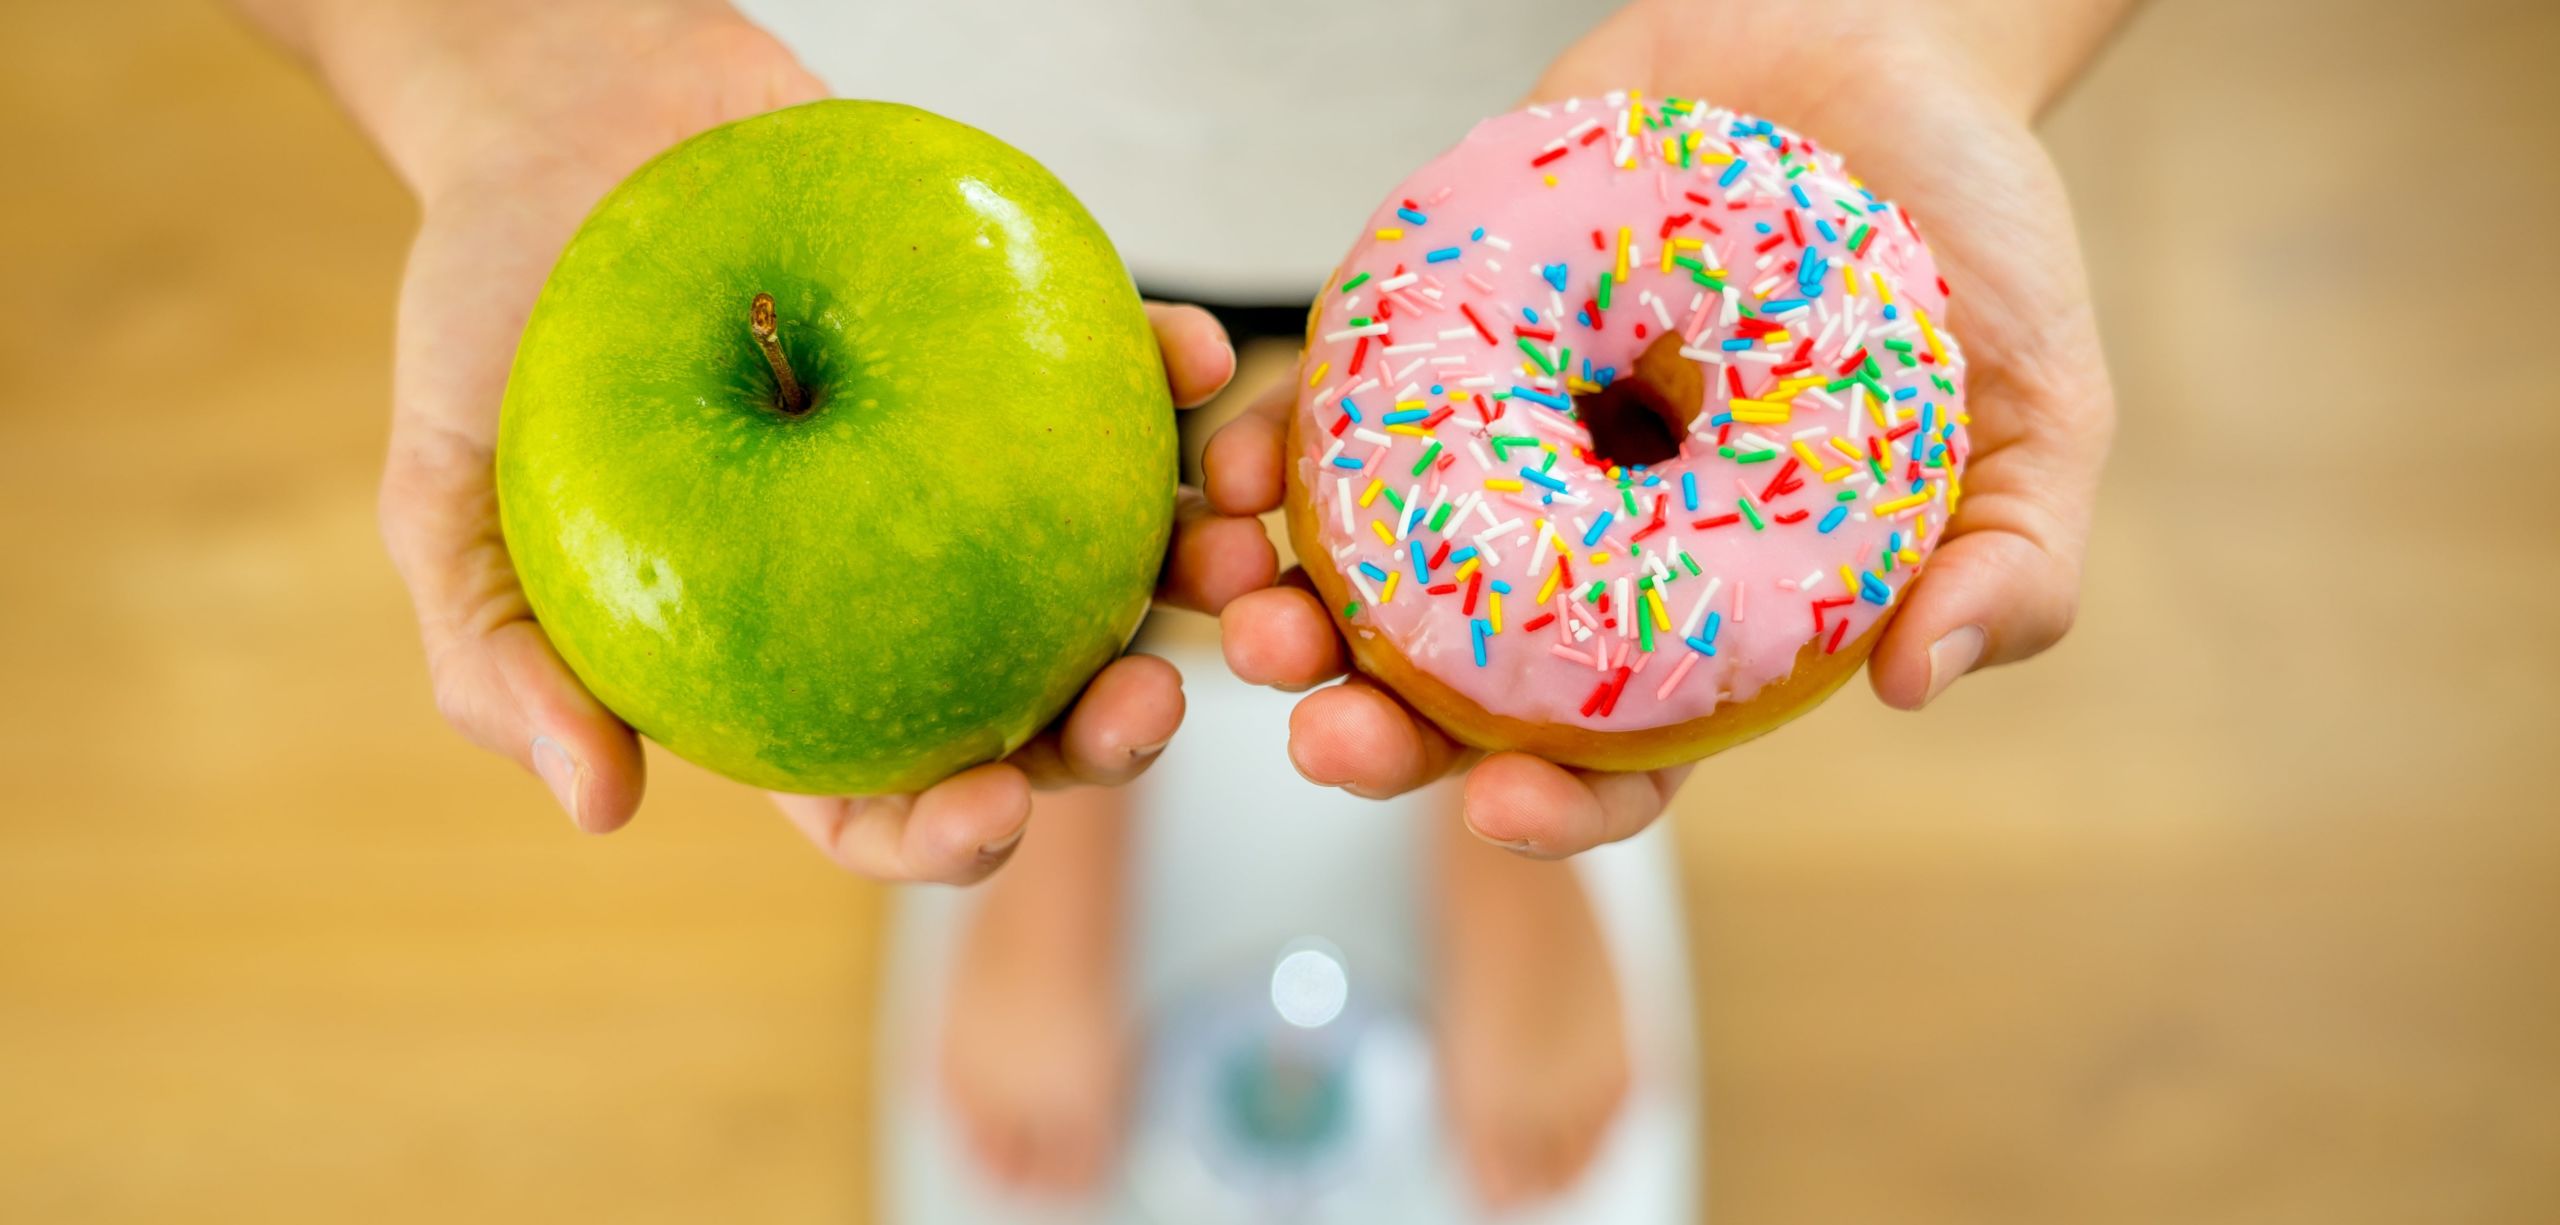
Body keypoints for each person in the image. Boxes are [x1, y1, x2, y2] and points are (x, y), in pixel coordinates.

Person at [231, 0, 2126, 1203]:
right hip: (867, 123)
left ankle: (1500, 831)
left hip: (1622, 69)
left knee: (1352, 549)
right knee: (1077, 527)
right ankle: (1058, 809)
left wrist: (1941, 34)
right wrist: (482, 47)